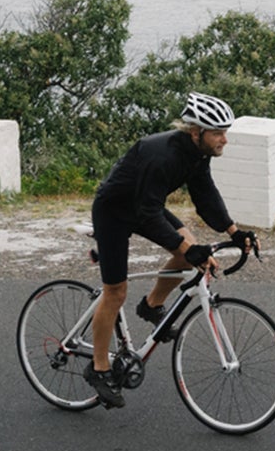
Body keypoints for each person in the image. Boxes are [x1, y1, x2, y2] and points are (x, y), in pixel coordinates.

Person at [85, 92, 249, 408]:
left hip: (145, 206)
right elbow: (148, 213)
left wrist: (234, 231)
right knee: (116, 291)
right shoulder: (162, 155)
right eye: (218, 133)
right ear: (195, 131)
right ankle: (99, 367)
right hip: (115, 211)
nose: (224, 140)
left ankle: (151, 305)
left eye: (225, 132)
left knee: (187, 248)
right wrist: (190, 249)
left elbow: (206, 198)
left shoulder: (197, 155)